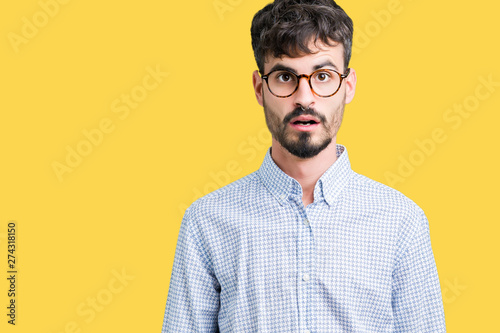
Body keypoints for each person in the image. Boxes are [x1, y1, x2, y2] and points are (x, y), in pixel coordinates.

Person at [161, 0, 446, 331]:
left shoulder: (401, 221)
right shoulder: (207, 221)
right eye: (285, 76)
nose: (305, 97)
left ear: (348, 86)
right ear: (259, 88)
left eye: (323, 76)